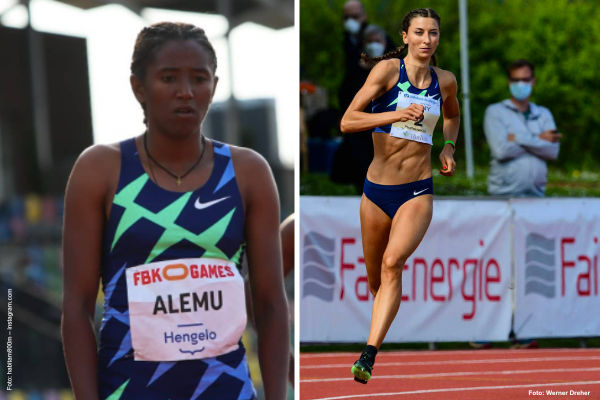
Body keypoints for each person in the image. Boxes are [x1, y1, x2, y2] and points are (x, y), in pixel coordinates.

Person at [61, 22, 289, 399]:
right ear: (139, 87)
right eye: (168, 78)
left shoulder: (249, 172)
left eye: (199, 79)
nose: (185, 92)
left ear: (214, 87)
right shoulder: (99, 170)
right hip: (129, 390)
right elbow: (77, 307)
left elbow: (270, 303)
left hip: (226, 390)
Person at [340, 8, 459, 384]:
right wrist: (394, 115)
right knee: (377, 282)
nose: (427, 40)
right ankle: (381, 329)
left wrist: (448, 147)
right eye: (420, 32)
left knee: (393, 264)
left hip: (417, 189)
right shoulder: (388, 73)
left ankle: (367, 357)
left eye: (434, 33)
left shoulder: (446, 81)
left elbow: (453, 116)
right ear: (405, 36)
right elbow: (347, 121)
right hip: (376, 192)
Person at [484, 59, 561, 197]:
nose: (520, 84)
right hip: (503, 197)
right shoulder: (495, 112)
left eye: (525, 79)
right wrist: (539, 138)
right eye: (516, 80)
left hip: (537, 196)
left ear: (533, 81)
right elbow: (501, 151)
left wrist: (517, 138)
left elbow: (552, 151)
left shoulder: (543, 113)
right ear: (508, 82)